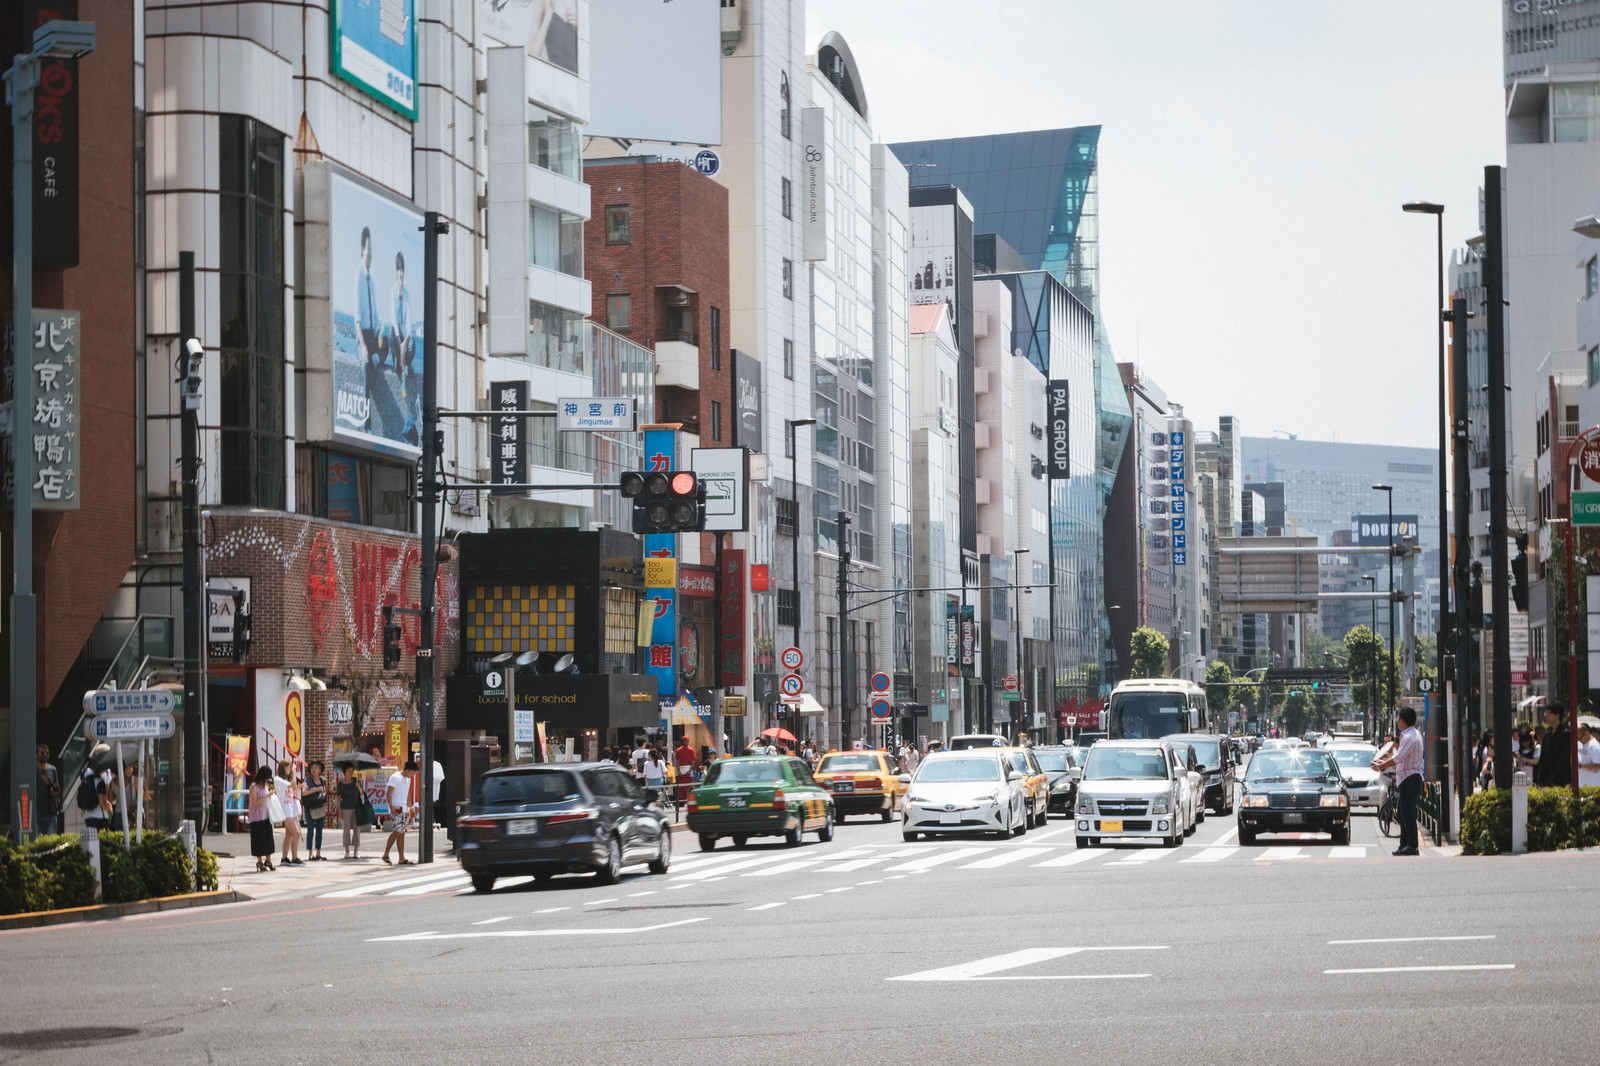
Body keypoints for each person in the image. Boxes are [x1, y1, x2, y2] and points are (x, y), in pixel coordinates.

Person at [1373, 707, 1423, 856]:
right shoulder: (1413, 734)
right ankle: (1404, 844)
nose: (1397, 722)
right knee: (1402, 812)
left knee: (1407, 813)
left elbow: (1398, 758)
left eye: (1398, 719)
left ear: (1402, 720)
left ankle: (1412, 845)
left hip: (1409, 778)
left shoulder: (1409, 737)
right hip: (1406, 779)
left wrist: (1381, 766)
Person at [382, 758, 415, 865]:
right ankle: (386, 854)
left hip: (404, 809)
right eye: (412, 772)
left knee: (402, 833)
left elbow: (407, 794)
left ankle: (401, 858)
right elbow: (389, 792)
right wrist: (391, 807)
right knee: (397, 831)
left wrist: (411, 807)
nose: (413, 775)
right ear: (407, 770)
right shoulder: (395, 777)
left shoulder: (408, 779)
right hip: (396, 809)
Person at [1534, 703, 1571, 788]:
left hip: (1561, 779)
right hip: (1546, 778)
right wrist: (1540, 777)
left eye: (1549, 713)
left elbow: (1564, 759)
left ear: (1557, 714)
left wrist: (1554, 779)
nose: (1546, 715)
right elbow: (1543, 757)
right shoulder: (1547, 733)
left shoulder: (1565, 734)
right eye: (1545, 713)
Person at [248, 766, 276, 872]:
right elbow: (255, 802)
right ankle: (259, 861)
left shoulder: (266, 785)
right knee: (259, 840)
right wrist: (267, 795)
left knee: (268, 839)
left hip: (266, 815)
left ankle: (268, 860)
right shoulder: (254, 786)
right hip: (256, 817)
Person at [276, 759, 304, 865]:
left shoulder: (286, 780)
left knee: (289, 835)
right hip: (285, 811)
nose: (290, 769)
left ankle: (284, 858)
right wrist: (294, 772)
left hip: (290, 810)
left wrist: (298, 786)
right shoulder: (278, 779)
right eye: (288, 767)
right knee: (296, 833)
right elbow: (291, 785)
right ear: (283, 768)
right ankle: (294, 857)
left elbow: (293, 786)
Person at [337, 766, 365, 860]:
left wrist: (358, 787)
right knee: (346, 829)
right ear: (344, 772)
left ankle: (356, 851)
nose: (351, 773)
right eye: (349, 771)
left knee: (357, 829)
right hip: (345, 808)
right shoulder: (341, 784)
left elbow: (362, 794)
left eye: (352, 771)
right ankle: (347, 851)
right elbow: (338, 799)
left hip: (356, 808)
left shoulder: (356, 781)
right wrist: (339, 811)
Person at [302, 761, 328, 861]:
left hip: (320, 807)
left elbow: (325, 793)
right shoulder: (307, 781)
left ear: (320, 770)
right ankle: (310, 853)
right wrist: (316, 790)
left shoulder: (323, 780)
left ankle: (318, 852)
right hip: (310, 808)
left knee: (319, 831)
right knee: (310, 830)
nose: (314, 769)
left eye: (316, 768)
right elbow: (304, 793)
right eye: (312, 768)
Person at [36, 744, 61, 835]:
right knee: (35, 840)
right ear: (36, 754)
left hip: (50, 811)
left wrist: (54, 791)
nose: (45, 755)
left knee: (51, 839)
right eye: (42, 753)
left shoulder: (52, 769)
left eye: (47, 753)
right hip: (36, 811)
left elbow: (57, 789)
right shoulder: (32, 769)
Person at [1576, 719, 1600, 787]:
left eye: (1580, 738)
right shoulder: (1580, 743)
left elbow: (1598, 766)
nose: (1579, 740)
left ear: (1586, 733)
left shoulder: (1594, 745)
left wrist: (1580, 766)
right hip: (1581, 784)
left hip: (1592, 785)